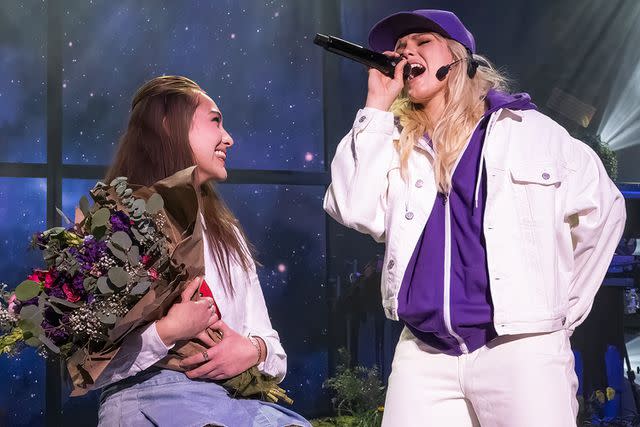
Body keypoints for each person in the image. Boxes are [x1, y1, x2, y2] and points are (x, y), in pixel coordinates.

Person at [323, 9, 626, 426]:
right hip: (424, 355)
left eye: (421, 42)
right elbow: (352, 207)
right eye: (399, 48)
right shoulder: (395, 143)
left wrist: (558, 312)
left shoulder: (528, 131)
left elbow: (605, 212)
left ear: (458, 57)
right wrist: (376, 106)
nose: (405, 52)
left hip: (519, 350)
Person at [94, 75, 310, 427]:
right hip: (147, 404)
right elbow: (93, 369)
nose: (229, 138)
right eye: (215, 121)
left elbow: (273, 347)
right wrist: (167, 333)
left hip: (233, 403)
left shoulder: (228, 235)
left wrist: (254, 350)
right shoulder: (116, 225)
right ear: (169, 126)